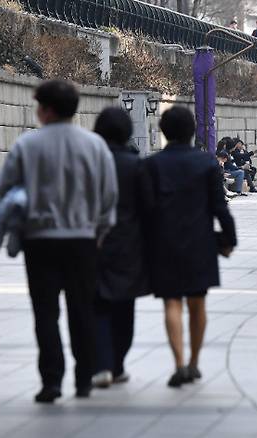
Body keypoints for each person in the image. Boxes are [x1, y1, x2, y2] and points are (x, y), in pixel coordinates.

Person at [0, 80, 119, 403]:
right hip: (82, 240)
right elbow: (108, 196)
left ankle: (51, 381)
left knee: (45, 312)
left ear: (46, 110)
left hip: (40, 239)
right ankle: (84, 377)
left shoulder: (27, 146)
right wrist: (99, 231)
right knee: (82, 310)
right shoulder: (94, 145)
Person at [145, 106, 236, 388]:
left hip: (164, 241)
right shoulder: (207, 164)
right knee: (197, 303)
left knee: (172, 301)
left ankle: (179, 363)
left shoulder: (152, 165)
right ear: (191, 132)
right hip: (200, 241)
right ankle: (195, 362)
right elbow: (219, 206)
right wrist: (229, 239)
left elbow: (145, 209)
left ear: (164, 131)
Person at [91, 108, 154, 388]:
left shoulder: (90, 162)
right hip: (130, 245)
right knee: (124, 308)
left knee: (97, 305)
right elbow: (150, 209)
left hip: (92, 243)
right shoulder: (137, 166)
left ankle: (101, 364)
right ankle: (117, 364)